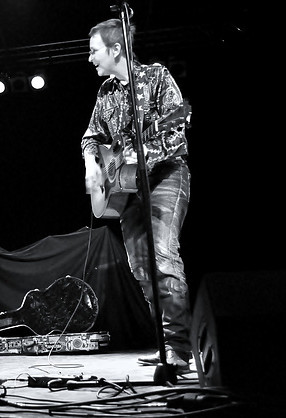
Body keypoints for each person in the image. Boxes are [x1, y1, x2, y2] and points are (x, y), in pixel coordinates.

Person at [81, 18, 192, 372]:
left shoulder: (157, 77)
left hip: (166, 177)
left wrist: (140, 156)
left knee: (161, 255)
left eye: (94, 50)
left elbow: (177, 132)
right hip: (125, 189)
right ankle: (163, 344)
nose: (90, 58)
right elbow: (91, 136)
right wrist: (91, 164)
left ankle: (179, 349)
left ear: (116, 50)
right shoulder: (106, 93)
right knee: (142, 268)